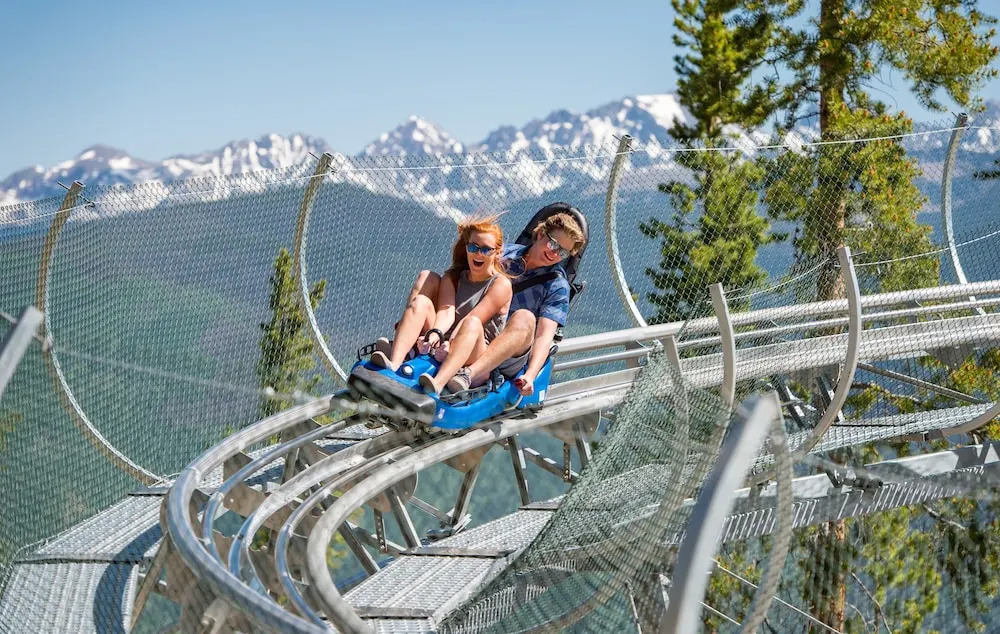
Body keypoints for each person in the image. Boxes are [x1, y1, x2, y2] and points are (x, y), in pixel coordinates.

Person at [443, 210, 586, 396]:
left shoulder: (558, 286)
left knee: (525, 317)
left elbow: (544, 336)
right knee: (432, 280)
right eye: (553, 244)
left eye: (562, 253)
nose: (554, 254)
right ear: (541, 234)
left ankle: (471, 373)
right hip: (476, 328)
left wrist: (531, 375)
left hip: (509, 349)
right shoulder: (504, 252)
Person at [370, 215, 512, 395]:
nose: (478, 254)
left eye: (485, 250)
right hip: (445, 344)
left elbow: (473, 318)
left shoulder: (500, 284)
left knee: (472, 323)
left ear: (497, 252)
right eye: (473, 247)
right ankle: (395, 363)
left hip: (475, 352)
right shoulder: (453, 277)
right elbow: (446, 312)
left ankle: (437, 383)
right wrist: (434, 334)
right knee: (421, 302)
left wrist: (451, 345)